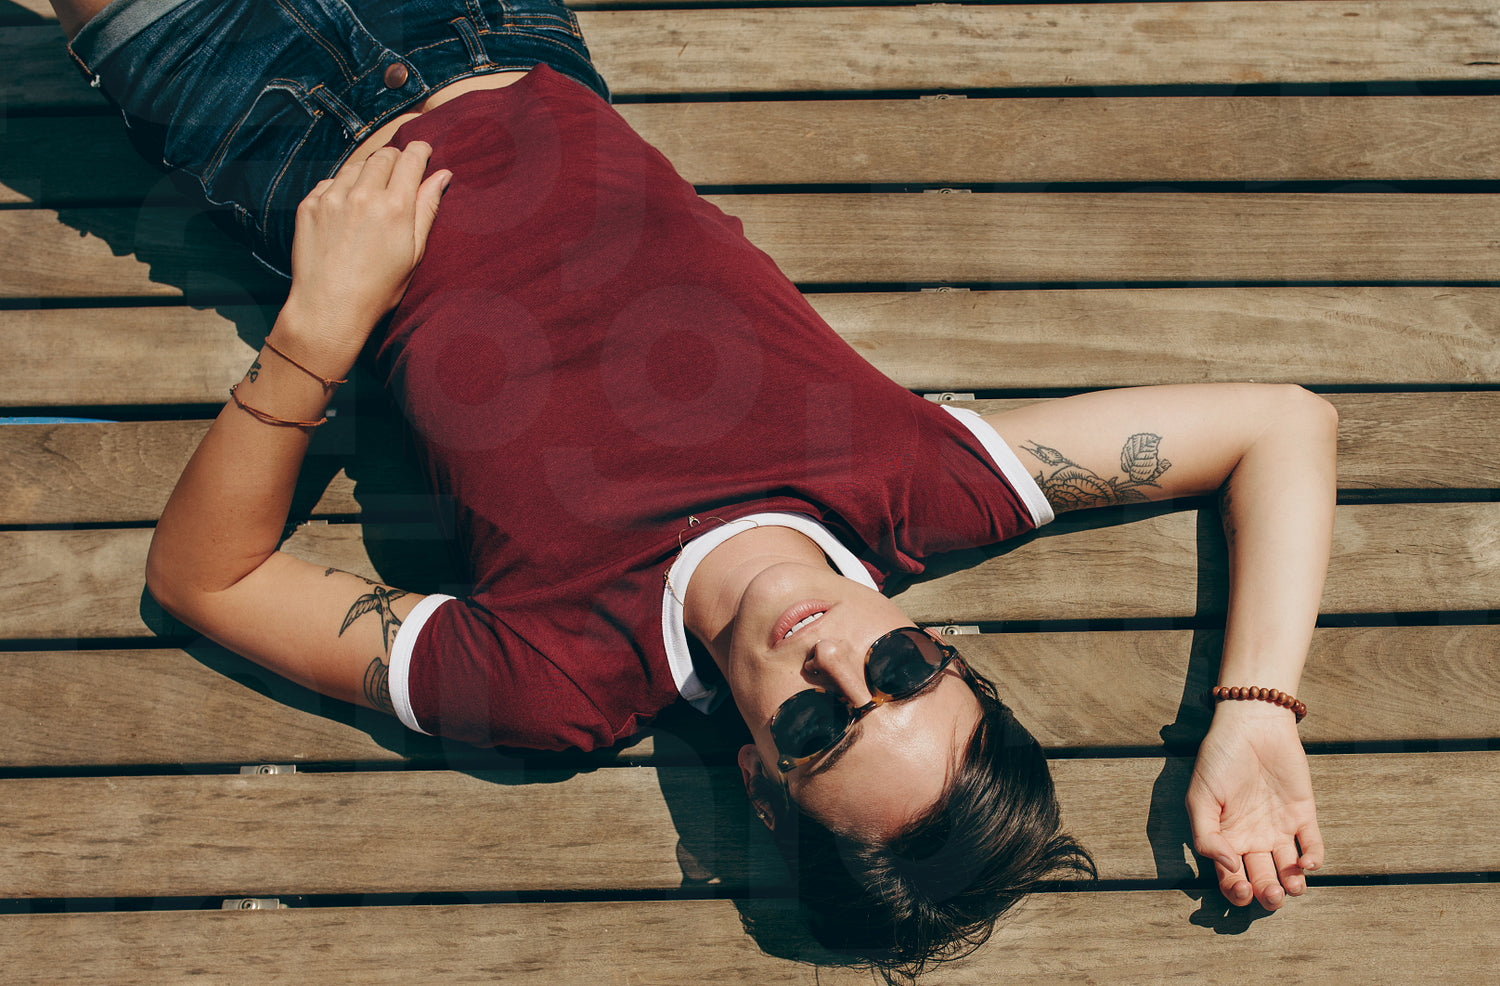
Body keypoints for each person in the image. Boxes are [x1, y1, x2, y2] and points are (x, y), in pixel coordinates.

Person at [56, 0, 1332, 975]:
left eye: (818, 729)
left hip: (261, 109)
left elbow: (207, 577)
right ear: (944, 649)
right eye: (901, 673)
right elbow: (1280, 424)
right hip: (497, 30)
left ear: (763, 786)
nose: (835, 658)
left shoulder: (560, 679)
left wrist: (320, 328)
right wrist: (1257, 713)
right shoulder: (916, 488)